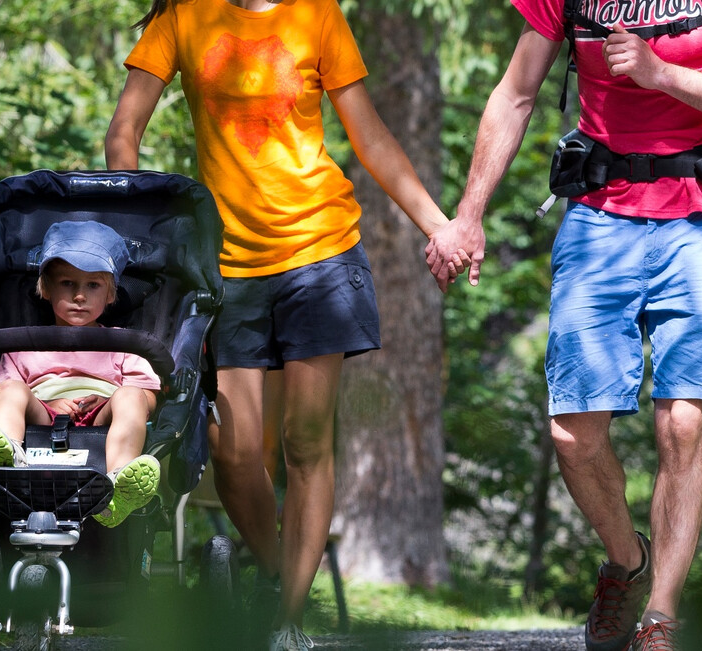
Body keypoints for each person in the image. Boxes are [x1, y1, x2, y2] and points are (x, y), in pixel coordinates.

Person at [427, 0, 702, 647]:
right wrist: (467, 214)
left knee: (682, 422)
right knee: (572, 433)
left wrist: (662, 73)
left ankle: (660, 616)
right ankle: (628, 561)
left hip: (701, 218)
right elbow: (515, 94)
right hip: (599, 219)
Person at [104, 1, 455, 648]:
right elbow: (124, 129)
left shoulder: (317, 14)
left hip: (320, 255)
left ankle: (289, 618)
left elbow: (369, 134)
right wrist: (142, 231)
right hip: (228, 266)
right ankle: (273, 574)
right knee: (234, 452)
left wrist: (440, 225)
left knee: (306, 440)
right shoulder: (183, 17)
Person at [0, 220, 162, 529]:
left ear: (111, 294)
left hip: (101, 416)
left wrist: (108, 397)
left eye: (92, 286)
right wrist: (46, 403)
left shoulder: (124, 344)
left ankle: (117, 483)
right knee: (10, 391)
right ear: (46, 288)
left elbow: (149, 397)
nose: (79, 296)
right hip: (42, 415)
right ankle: (7, 461)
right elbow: (6, 389)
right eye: (67, 284)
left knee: (131, 395)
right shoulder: (22, 344)